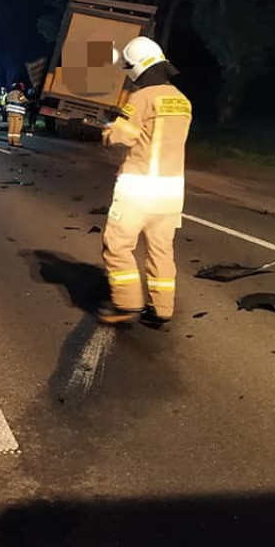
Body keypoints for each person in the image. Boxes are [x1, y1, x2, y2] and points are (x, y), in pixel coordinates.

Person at [98, 36, 192, 328]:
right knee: (161, 249)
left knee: (117, 245)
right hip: (172, 191)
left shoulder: (140, 98)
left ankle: (127, 303)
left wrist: (107, 128)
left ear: (138, 68)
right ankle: (162, 308)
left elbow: (122, 136)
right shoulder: (182, 100)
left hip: (139, 189)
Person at [5, 82, 28, 147]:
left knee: (11, 128)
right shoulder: (19, 93)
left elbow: (6, 101)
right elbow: (23, 100)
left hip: (10, 113)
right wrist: (28, 102)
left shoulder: (10, 93)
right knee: (17, 128)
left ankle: (10, 141)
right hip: (18, 113)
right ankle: (16, 142)